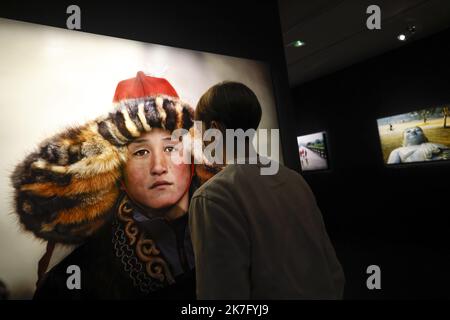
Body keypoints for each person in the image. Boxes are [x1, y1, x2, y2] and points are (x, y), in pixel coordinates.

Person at [11, 72, 198, 299]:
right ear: (116, 168)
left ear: (192, 156)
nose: (158, 166)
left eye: (170, 148)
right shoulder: (81, 263)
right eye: (140, 152)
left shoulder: (236, 220)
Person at [189, 81, 345, 299]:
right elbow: (332, 268)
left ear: (215, 129)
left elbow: (221, 294)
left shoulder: (212, 197)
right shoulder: (294, 180)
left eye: (200, 130)